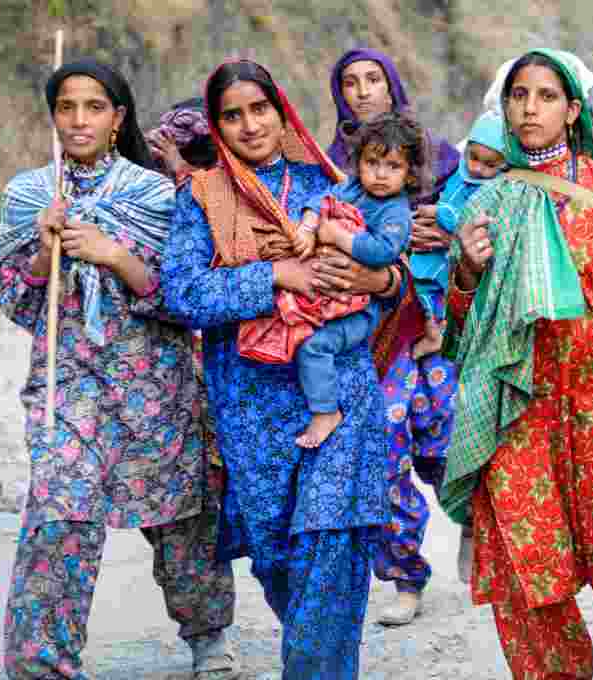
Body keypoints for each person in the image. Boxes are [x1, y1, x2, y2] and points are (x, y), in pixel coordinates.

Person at [0, 59, 238, 680]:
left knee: (182, 517)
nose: (78, 120)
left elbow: (181, 296)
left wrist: (114, 254)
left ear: (117, 117)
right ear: (52, 117)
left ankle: (208, 636)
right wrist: (46, 252)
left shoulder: (160, 196)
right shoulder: (29, 197)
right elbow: (19, 301)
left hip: (157, 385)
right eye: (66, 107)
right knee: (58, 512)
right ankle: (44, 663)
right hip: (67, 384)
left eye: (93, 107)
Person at [441, 48, 593, 680]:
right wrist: (465, 270)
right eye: (519, 95)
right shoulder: (484, 203)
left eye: (546, 96)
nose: (530, 108)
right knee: (528, 563)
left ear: (573, 110)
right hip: (519, 409)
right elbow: (462, 327)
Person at [160, 58, 400, 679]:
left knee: (331, 543)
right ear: (215, 126)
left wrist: (385, 277)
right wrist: (276, 275)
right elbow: (183, 293)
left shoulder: (331, 186)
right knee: (280, 561)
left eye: (259, 109)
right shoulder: (201, 198)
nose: (249, 125)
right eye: (231, 115)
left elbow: (398, 277)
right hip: (251, 409)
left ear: (282, 110)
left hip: (341, 397)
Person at [327, 47, 460, 626]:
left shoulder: (445, 158)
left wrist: (446, 234)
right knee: (385, 453)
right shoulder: (331, 171)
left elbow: (482, 224)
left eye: (373, 79)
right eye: (349, 82)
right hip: (373, 341)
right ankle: (406, 573)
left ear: (393, 83)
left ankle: (480, 531)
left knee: (446, 439)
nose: (361, 91)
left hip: (435, 332)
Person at [290, 111, 424, 447]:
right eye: (372, 163)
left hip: (360, 311)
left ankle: (326, 413)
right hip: (325, 295)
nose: (380, 174)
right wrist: (308, 225)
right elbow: (318, 200)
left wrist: (337, 236)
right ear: (358, 162)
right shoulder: (351, 188)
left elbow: (381, 252)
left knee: (314, 347)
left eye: (393, 167)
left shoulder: (395, 211)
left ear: (409, 175)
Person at [410, 110, 506, 359]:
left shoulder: (496, 189)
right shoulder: (459, 171)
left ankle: (439, 334)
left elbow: (470, 219)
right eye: (473, 158)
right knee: (419, 287)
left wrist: (438, 211)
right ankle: (432, 331)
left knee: (445, 296)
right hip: (430, 251)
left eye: (489, 164)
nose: (477, 169)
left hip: (455, 260)